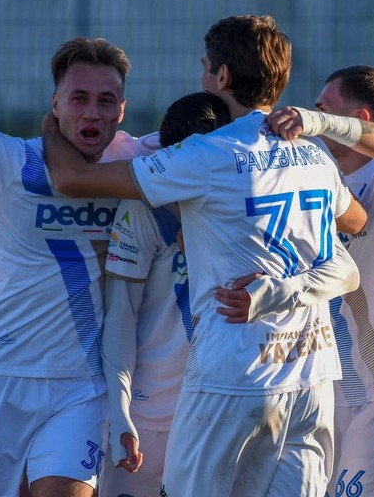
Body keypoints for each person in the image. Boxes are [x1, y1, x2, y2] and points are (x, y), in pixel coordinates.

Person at [42, 15, 367, 496]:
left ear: (223, 78)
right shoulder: (315, 156)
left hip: (231, 377)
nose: (202, 77)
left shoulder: (207, 154)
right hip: (310, 377)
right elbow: (356, 221)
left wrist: (52, 124)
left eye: (205, 67)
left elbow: (71, 180)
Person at [0, 8, 151, 497]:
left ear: (121, 111)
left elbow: (210, 154)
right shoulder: (8, 160)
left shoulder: (139, 165)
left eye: (106, 101)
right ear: (55, 103)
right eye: (79, 99)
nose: (92, 113)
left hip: (82, 384)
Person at [266, 65, 374, 497]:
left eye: (323, 110)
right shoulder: (325, 183)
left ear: (358, 120)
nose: (311, 118)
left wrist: (319, 124)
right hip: (335, 386)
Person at [98, 91, 231, 497]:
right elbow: (120, 314)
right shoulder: (143, 209)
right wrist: (120, 408)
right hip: (148, 412)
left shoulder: (251, 206)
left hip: (222, 410)